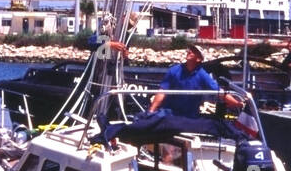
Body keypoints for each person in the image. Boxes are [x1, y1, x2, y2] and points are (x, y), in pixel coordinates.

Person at [96, 44, 245, 146]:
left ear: (199, 59)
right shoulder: (174, 71)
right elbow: (162, 92)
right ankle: (112, 130)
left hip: (187, 117)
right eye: (189, 49)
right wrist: (151, 111)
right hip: (168, 113)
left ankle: (111, 130)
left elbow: (219, 93)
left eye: (193, 51)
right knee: (149, 121)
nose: (189, 52)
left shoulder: (202, 75)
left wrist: (238, 104)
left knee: (153, 123)